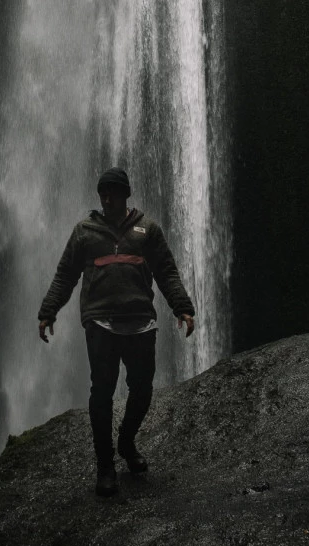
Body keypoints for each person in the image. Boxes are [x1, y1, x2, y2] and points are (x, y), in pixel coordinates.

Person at [37, 166, 196, 497]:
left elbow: (166, 271)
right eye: (102, 194)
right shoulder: (85, 232)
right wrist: (48, 311)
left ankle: (126, 440)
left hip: (141, 321)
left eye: (112, 193)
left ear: (125, 195)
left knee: (142, 389)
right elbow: (65, 275)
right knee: (102, 393)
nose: (106, 198)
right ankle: (105, 466)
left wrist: (182, 306)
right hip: (100, 322)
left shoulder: (146, 229)